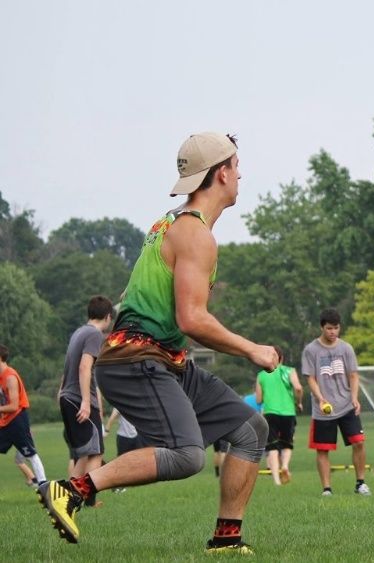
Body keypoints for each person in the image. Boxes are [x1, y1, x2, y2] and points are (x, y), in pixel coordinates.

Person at [39, 132, 278, 553]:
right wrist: (251, 349)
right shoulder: (194, 234)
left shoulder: (172, 222)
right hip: (137, 359)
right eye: (237, 166)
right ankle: (73, 488)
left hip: (163, 358)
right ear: (221, 173)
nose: (242, 174)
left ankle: (226, 540)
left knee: (249, 429)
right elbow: (192, 318)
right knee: (188, 456)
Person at [302, 308, 369, 496]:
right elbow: (311, 379)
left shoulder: (346, 348)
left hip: (347, 405)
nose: (333, 332)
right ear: (322, 327)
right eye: (330, 328)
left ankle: (360, 483)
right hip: (323, 410)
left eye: (336, 328)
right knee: (323, 450)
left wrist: (355, 398)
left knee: (359, 443)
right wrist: (321, 399)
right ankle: (327, 489)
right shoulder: (311, 350)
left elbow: (354, 375)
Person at [58, 295, 115, 508]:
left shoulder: (79, 332)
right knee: (95, 452)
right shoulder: (94, 334)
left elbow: (67, 367)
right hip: (79, 399)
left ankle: (69, 498)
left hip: (68, 397)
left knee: (84, 453)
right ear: (108, 316)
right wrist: (85, 401)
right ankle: (82, 499)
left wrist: (62, 393)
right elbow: (84, 367)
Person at [255, 346, 303, 486]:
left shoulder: (261, 375)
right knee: (287, 443)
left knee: (272, 447)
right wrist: (298, 402)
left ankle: (276, 481)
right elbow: (298, 388)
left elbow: (258, 400)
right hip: (288, 412)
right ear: (282, 358)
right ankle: (285, 466)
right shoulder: (289, 371)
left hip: (270, 413)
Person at [0, 345, 48, 486]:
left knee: (30, 454)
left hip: (17, 422)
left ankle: (43, 486)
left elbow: (14, 406)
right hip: (5, 423)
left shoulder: (10, 377)